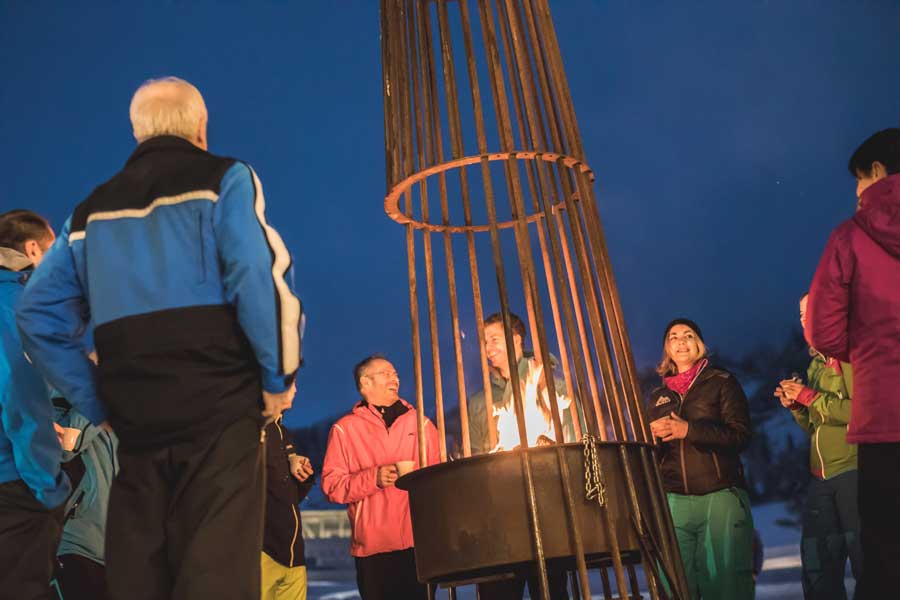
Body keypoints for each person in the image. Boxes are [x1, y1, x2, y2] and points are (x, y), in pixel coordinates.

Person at [16, 77, 303, 600]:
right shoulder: (224, 179)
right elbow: (257, 278)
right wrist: (276, 378)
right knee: (214, 566)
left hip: (137, 417)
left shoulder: (90, 212)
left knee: (141, 568)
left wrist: (96, 397)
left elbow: (36, 314)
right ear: (200, 126)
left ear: (137, 130)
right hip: (220, 410)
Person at [807, 128, 900, 599]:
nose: (859, 194)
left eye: (859, 182)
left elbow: (822, 332)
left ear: (878, 173)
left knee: (885, 554)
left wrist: (862, 349)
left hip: (885, 419)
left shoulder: (849, 237)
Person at [466, 311, 575, 600]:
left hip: (546, 509)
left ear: (516, 339)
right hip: (499, 518)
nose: (488, 348)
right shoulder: (479, 402)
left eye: (494, 339)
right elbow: (476, 460)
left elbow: (570, 440)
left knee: (551, 591)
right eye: (484, 341)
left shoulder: (548, 383)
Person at [647, 318, 754, 600]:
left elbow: (740, 435)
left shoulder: (721, 381)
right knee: (675, 581)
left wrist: (689, 430)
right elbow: (656, 454)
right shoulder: (659, 396)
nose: (681, 341)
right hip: (675, 499)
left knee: (723, 581)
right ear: (667, 349)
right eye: (673, 337)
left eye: (688, 335)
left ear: (700, 344)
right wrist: (652, 440)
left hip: (718, 493)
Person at [321, 354, 440, 600]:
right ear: (365, 383)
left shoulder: (422, 425)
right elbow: (332, 486)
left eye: (395, 373)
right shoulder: (345, 429)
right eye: (386, 373)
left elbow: (438, 482)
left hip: (418, 545)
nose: (394, 378)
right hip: (373, 551)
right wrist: (372, 478)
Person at [0, 209, 67, 600]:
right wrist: (49, 487)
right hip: (13, 488)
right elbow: (18, 394)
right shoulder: (16, 304)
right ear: (32, 250)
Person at [776, 293, 860, 599]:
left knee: (869, 563)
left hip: (856, 470)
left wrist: (810, 397)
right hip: (821, 478)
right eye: (800, 314)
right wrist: (797, 406)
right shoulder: (815, 366)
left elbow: (864, 411)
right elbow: (815, 425)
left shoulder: (856, 355)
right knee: (817, 566)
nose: (805, 319)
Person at [52, 393, 118, 600]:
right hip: (77, 543)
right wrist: (96, 395)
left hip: (121, 548)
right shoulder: (51, 400)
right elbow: (66, 447)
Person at [261, 416, 315, 600]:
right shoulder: (249, 432)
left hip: (294, 554)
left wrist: (302, 475)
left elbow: (289, 498)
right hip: (262, 550)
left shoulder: (284, 433)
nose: (295, 391)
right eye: (291, 386)